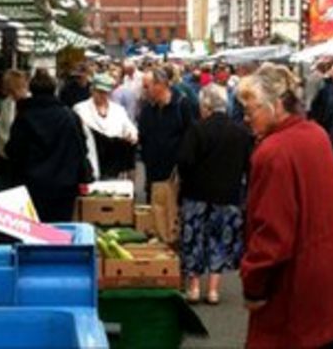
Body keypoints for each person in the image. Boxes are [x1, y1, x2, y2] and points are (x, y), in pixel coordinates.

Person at [238, 63, 333, 349]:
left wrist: (253, 285)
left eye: (250, 111)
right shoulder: (314, 134)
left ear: (275, 106)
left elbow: (272, 234)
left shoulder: (273, 152)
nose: (246, 119)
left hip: (307, 294)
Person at [177, 84, 253, 305]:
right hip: (228, 196)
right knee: (220, 241)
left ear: (206, 106)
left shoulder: (197, 129)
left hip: (196, 195)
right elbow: (250, 166)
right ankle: (213, 290)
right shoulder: (241, 132)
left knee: (194, 239)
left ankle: (193, 288)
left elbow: (184, 160)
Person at [0, 69, 91, 221]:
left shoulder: (24, 117)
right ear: (54, 89)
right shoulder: (69, 116)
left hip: (31, 188)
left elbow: (13, 151)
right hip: (64, 188)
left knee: (35, 232)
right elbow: (82, 149)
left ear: (31, 90)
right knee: (61, 232)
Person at [138, 67, 195, 196]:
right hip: (152, 175)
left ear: (160, 85)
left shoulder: (182, 105)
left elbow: (190, 137)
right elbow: (143, 136)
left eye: (147, 86)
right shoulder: (147, 109)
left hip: (174, 175)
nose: (144, 90)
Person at [74, 73, 138, 180]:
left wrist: (131, 135)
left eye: (106, 92)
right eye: (99, 91)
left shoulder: (118, 110)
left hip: (115, 163)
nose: (103, 95)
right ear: (92, 90)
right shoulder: (80, 109)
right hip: (92, 161)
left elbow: (131, 129)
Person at [0, 69, 29, 157]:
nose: (8, 92)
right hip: (10, 155)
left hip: (26, 157)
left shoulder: (32, 103)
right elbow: (2, 128)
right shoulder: (7, 103)